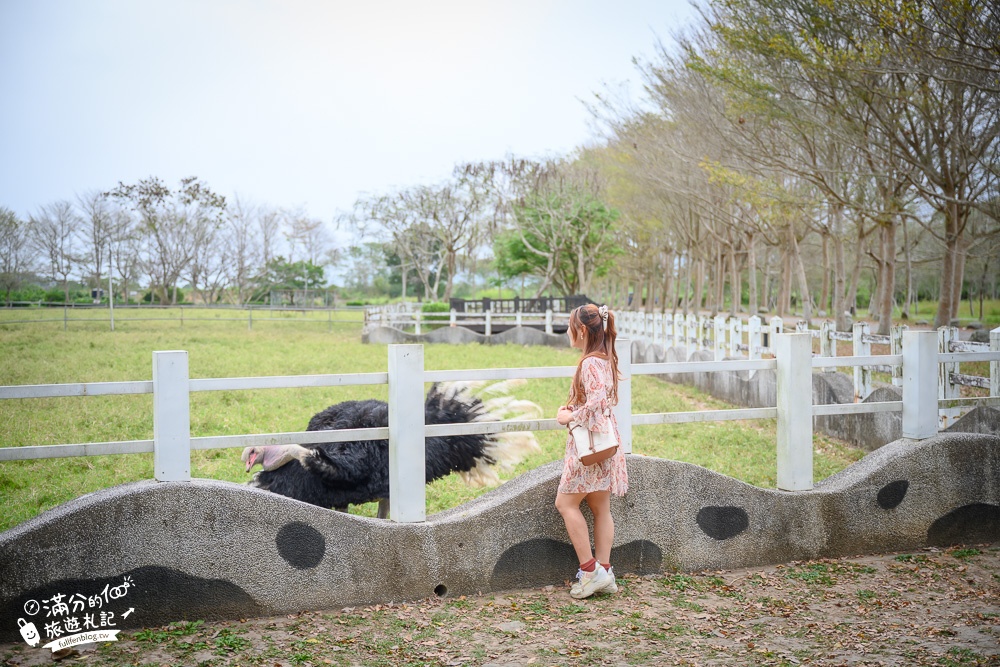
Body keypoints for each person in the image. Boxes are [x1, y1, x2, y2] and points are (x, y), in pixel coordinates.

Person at [555, 303, 628, 599]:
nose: (569, 333)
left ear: (583, 330)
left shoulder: (589, 363)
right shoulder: (605, 357)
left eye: (572, 328)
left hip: (589, 447)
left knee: (566, 504)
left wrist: (569, 417)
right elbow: (601, 401)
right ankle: (605, 572)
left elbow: (597, 402)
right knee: (601, 509)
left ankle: (589, 571)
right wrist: (577, 407)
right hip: (607, 445)